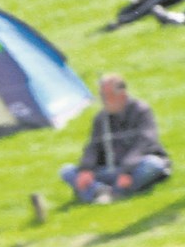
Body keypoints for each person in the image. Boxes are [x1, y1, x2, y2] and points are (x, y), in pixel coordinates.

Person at [61, 74, 171, 202]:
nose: (103, 101)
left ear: (122, 95)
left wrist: (127, 171)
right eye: (101, 96)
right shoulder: (101, 118)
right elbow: (93, 146)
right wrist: (86, 169)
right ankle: (102, 191)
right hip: (111, 170)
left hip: (135, 167)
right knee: (67, 171)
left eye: (106, 96)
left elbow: (144, 144)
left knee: (154, 165)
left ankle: (104, 194)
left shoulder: (141, 111)